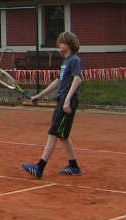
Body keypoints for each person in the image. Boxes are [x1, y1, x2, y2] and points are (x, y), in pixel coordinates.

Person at [21, 31, 83, 178]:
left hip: (67, 100)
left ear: (69, 44)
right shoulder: (65, 62)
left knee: (53, 133)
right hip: (62, 99)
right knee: (62, 135)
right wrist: (40, 95)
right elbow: (58, 82)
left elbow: (77, 79)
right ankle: (74, 167)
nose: (58, 45)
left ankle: (39, 167)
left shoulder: (74, 60)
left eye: (61, 42)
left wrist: (67, 99)